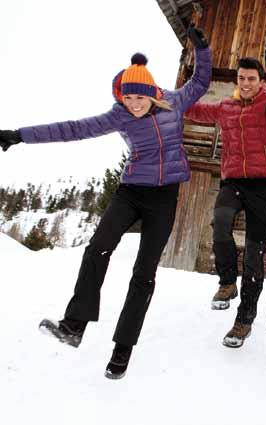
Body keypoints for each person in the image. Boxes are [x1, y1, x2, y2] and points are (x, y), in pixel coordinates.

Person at [0, 26, 212, 379]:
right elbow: (72, 129)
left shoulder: (174, 102)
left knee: (144, 273)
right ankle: (74, 325)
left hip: (164, 198)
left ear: (152, 94)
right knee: (97, 249)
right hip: (130, 191)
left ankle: (122, 349)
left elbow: (201, 80)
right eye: (128, 98)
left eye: (139, 97)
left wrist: (202, 48)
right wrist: (20, 136)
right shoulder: (119, 116)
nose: (134, 104)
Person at [184, 46, 266, 348]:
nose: (246, 83)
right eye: (242, 78)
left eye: (252, 79)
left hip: (262, 185)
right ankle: (227, 282)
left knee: (255, 257)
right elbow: (195, 111)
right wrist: (165, 100)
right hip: (232, 181)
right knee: (220, 222)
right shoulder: (226, 107)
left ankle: (243, 321)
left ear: (260, 81)